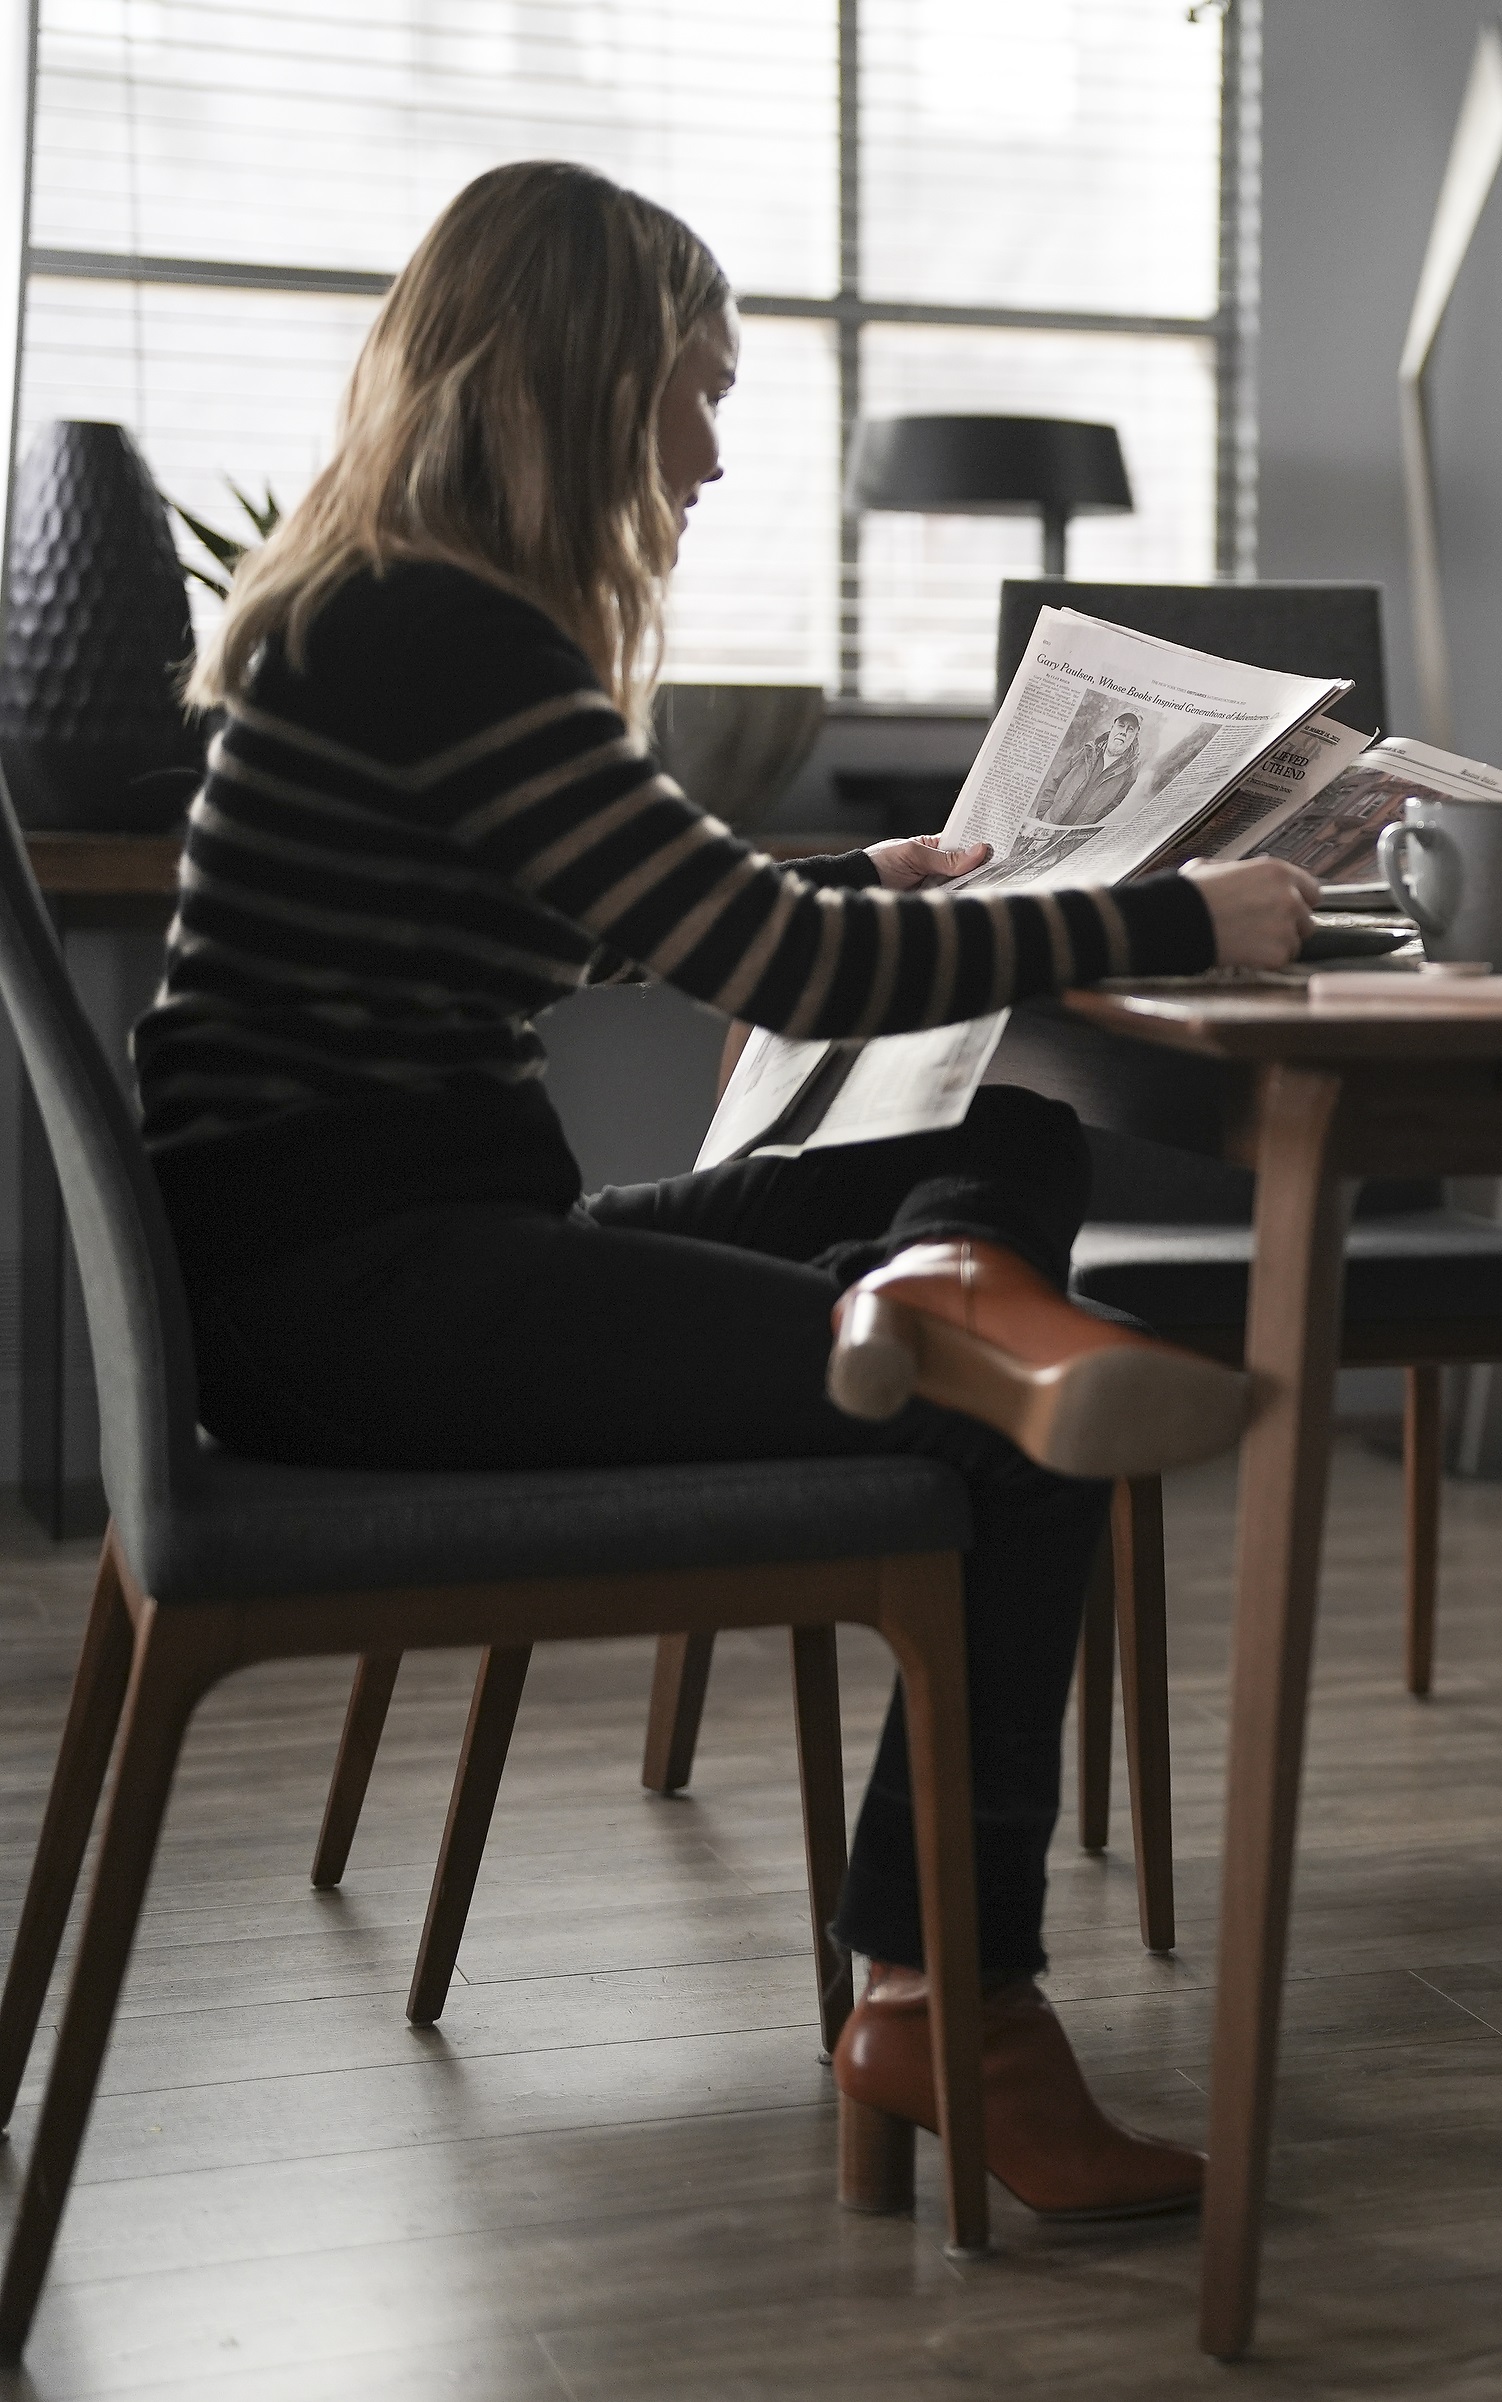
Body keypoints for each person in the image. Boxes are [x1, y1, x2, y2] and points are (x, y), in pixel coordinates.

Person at [136, 160, 1319, 2218]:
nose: (711, 441)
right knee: (1024, 1442)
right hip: (370, 1310)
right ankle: (952, 1997)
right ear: (587, 380)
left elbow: (614, 922)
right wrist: (1182, 916)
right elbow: (781, 978)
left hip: (392, 1262)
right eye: (697, 384)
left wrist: (861, 877)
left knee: (1018, 1146)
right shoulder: (443, 628)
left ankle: (943, 1280)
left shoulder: (394, 612)